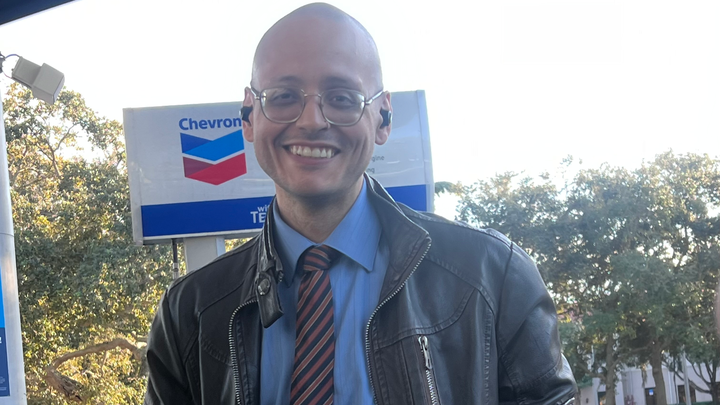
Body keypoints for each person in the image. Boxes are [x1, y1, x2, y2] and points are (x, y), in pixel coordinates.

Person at [144, 3, 577, 404]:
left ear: (383, 117)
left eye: (341, 98)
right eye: (284, 96)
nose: (311, 121)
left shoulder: (492, 276)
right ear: (248, 116)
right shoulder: (190, 313)